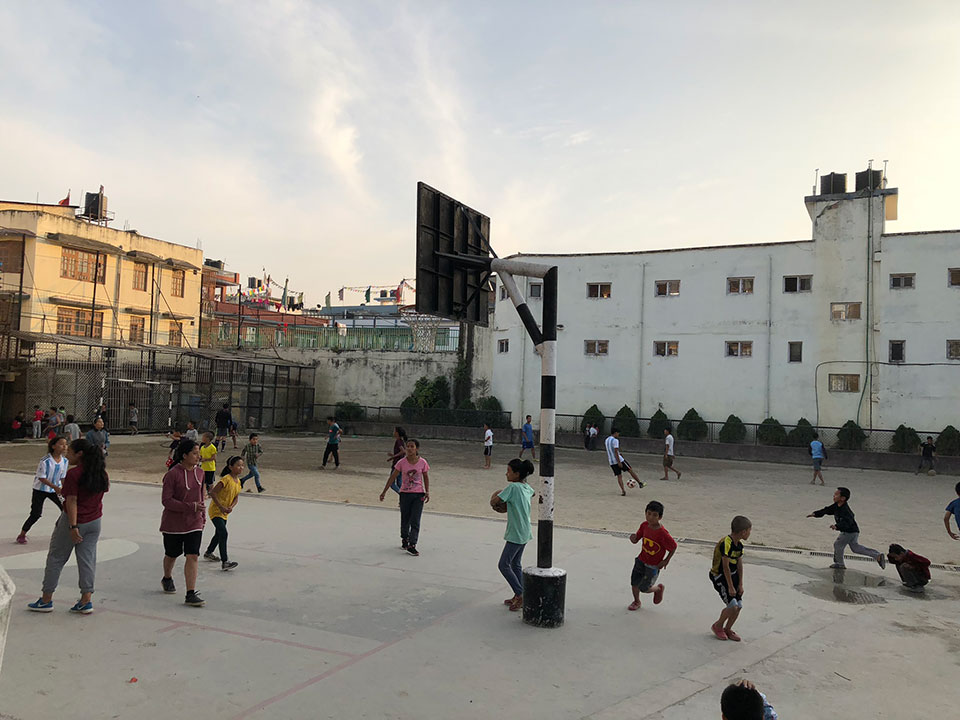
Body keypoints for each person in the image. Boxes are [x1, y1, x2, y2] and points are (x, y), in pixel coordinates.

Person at [27, 438, 109, 614]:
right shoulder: (101, 473)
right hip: (95, 521)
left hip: (74, 521)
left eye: (70, 451)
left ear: (80, 454)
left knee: (56, 557)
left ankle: (46, 599)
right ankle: (86, 599)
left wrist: (73, 526)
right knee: (87, 559)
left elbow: (72, 501)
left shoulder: (74, 474)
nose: (67, 453)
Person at [160, 439, 206, 607]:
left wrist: (202, 516)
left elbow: (201, 497)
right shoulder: (172, 474)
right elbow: (166, 501)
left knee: (192, 555)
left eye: (198, 453)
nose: (197, 456)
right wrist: (189, 506)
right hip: (173, 523)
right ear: (184, 455)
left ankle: (190, 593)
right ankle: (167, 577)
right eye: (194, 453)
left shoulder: (200, 473)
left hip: (194, 522)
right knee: (172, 554)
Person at [491, 458, 536, 611]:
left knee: (503, 564)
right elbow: (533, 493)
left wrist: (497, 495)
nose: (506, 474)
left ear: (517, 474)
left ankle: (521, 593)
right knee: (515, 563)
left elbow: (495, 500)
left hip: (516, 532)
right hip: (525, 530)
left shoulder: (513, 487)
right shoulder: (526, 487)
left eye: (509, 471)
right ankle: (520, 594)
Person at [807, 487, 886, 570]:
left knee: (838, 544)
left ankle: (839, 563)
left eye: (836, 495)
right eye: (834, 494)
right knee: (855, 548)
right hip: (853, 531)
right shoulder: (836, 506)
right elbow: (826, 510)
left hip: (849, 531)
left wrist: (837, 526)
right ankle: (877, 555)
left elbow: (847, 522)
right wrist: (815, 514)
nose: (834, 496)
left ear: (843, 498)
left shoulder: (845, 510)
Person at [379, 438, 429, 556]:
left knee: (415, 520)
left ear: (417, 448)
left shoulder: (423, 462)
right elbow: (392, 477)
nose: (410, 449)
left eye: (412, 446)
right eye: (408, 447)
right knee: (405, 518)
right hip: (405, 494)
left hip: (418, 494)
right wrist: (384, 491)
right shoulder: (401, 463)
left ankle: (412, 544)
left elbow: (426, 477)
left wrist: (427, 491)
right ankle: (405, 538)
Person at [17, 435, 69, 544]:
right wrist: (55, 487)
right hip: (40, 490)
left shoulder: (65, 461)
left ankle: (61, 530)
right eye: (61, 444)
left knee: (66, 510)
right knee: (36, 514)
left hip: (55, 490)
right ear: (54, 446)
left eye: (65, 444)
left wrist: (64, 489)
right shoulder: (45, 461)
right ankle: (22, 534)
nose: (64, 447)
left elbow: (63, 477)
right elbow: (42, 477)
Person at [709, 515, 752, 641]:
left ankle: (728, 629)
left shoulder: (739, 546)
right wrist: (731, 586)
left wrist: (740, 584)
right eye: (749, 530)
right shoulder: (725, 543)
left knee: (739, 606)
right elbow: (725, 567)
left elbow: (739, 564)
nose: (750, 533)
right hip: (720, 576)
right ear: (743, 532)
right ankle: (718, 626)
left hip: (733, 576)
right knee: (732, 605)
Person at [628, 500, 676, 611]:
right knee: (634, 582)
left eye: (654, 515)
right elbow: (637, 538)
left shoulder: (663, 533)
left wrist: (666, 560)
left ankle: (658, 589)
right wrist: (633, 539)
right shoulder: (644, 525)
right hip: (641, 559)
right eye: (648, 513)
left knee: (644, 588)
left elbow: (673, 547)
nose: (650, 517)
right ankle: (636, 601)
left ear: (660, 517)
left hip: (653, 565)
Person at [203, 455, 242, 570]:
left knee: (219, 533)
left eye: (242, 465)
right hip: (216, 510)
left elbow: (236, 497)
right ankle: (225, 561)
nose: (241, 468)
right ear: (230, 467)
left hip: (225, 512)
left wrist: (231, 507)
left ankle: (209, 552)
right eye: (238, 465)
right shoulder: (226, 479)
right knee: (223, 533)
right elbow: (213, 493)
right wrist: (221, 506)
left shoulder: (238, 482)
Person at [604, 428, 645, 496]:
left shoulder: (607, 440)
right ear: (615, 433)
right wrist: (619, 461)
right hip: (619, 460)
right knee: (630, 470)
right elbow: (616, 451)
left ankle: (623, 491)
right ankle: (640, 483)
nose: (618, 434)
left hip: (611, 461)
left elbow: (612, 450)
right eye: (618, 433)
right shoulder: (615, 440)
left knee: (619, 476)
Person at [385, 426, 408, 494]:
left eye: (394, 431)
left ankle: (403, 496)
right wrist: (393, 455)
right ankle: (403, 499)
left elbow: (403, 451)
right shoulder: (401, 441)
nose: (393, 432)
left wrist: (393, 457)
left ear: (397, 433)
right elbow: (401, 452)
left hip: (397, 465)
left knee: (391, 484)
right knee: (399, 483)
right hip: (401, 464)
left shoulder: (398, 441)